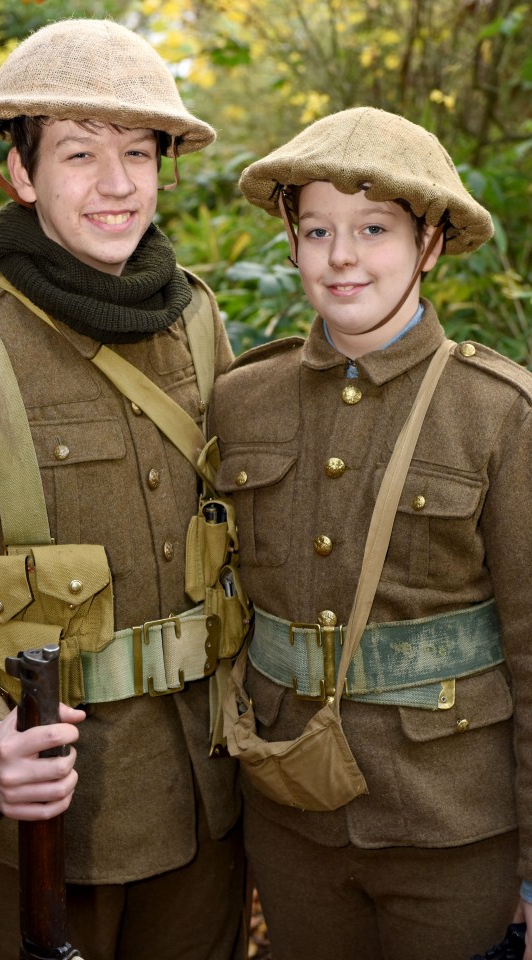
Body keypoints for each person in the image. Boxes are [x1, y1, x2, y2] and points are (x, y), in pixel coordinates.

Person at [0, 18, 246, 960]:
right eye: (81, 154)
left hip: (214, 801)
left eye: (138, 152)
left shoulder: (197, 319)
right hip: (57, 822)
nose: (118, 184)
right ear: (20, 172)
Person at [209, 106, 532, 960]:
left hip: (451, 828)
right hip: (290, 821)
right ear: (291, 240)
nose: (341, 256)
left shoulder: (497, 414)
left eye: (372, 229)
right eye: (316, 228)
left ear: (428, 244)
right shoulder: (243, 399)